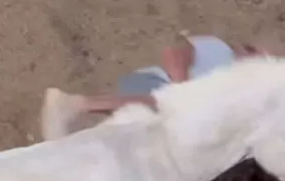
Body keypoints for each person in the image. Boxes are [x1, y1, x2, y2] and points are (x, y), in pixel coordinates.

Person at [40, 33, 266, 141]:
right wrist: (182, 91)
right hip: (152, 84)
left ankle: (74, 138)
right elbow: (174, 54)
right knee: (169, 105)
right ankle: (75, 104)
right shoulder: (220, 51)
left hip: (170, 120)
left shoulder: (236, 94)